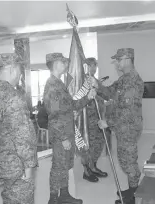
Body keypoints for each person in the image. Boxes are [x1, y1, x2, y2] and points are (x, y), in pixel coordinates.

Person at [0, 53, 38, 204]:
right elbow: (22, 135)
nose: (20, 74)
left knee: (9, 199)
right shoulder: (12, 97)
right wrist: (29, 165)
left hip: (1, 162)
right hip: (17, 165)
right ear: (13, 69)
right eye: (20, 70)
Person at [91, 48, 144, 204]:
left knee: (129, 163)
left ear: (127, 59)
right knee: (125, 160)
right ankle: (131, 190)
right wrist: (96, 85)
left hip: (128, 128)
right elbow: (109, 92)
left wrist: (108, 122)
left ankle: (133, 197)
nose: (117, 63)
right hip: (123, 128)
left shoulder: (133, 80)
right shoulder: (123, 79)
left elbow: (128, 111)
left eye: (119, 60)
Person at [43, 53, 97, 204]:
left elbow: (71, 106)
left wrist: (88, 97)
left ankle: (64, 194)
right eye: (63, 62)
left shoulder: (59, 84)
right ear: (55, 64)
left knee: (65, 164)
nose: (66, 64)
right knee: (58, 166)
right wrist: (63, 137)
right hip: (62, 134)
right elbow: (53, 115)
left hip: (67, 131)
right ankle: (53, 199)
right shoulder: (52, 86)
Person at [80, 58, 108, 183]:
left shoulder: (94, 79)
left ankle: (93, 166)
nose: (94, 68)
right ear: (86, 66)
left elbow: (100, 94)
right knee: (88, 146)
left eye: (95, 65)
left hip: (99, 119)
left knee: (98, 144)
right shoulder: (83, 81)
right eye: (92, 65)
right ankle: (86, 171)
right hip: (89, 120)